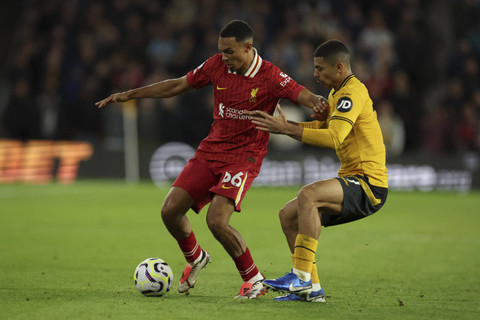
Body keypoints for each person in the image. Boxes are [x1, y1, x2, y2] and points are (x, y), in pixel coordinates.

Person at [95, 20, 327, 299]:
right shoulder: (216, 65)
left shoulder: (270, 75)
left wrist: (318, 104)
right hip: (210, 151)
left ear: (248, 48)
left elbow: (304, 94)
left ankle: (253, 279)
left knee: (217, 221)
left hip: (243, 158)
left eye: (230, 52)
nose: (224, 58)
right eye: (221, 51)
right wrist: (131, 94)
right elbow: (178, 85)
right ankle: (195, 258)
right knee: (169, 210)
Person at [247, 39, 388, 302]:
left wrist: (287, 129)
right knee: (288, 216)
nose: (315, 74)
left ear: (339, 67)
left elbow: (334, 137)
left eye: (320, 68)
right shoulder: (337, 93)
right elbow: (324, 130)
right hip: (351, 179)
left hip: (369, 184)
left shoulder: (351, 93)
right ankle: (312, 290)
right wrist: (287, 124)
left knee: (307, 195)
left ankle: (300, 277)